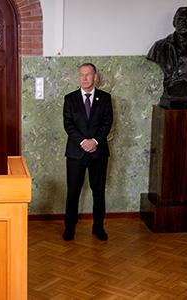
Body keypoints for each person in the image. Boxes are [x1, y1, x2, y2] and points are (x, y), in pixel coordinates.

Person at [63, 63, 113, 241]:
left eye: (88, 75)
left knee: (98, 192)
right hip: (76, 153)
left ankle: (98, 227)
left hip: (98, 153)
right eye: (81, 75)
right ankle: (70, 228)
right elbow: (68, 125)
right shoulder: (70, 99)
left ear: (95, 77)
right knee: (73, 192)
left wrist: (95, 141)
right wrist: (84, 142)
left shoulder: (105, 98)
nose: (84, 78)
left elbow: (107, 123)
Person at [146, 7, 187, 98]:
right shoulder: (159, 47)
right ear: (174, 22)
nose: (184, 23)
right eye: (180, 19)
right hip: (172, 91)